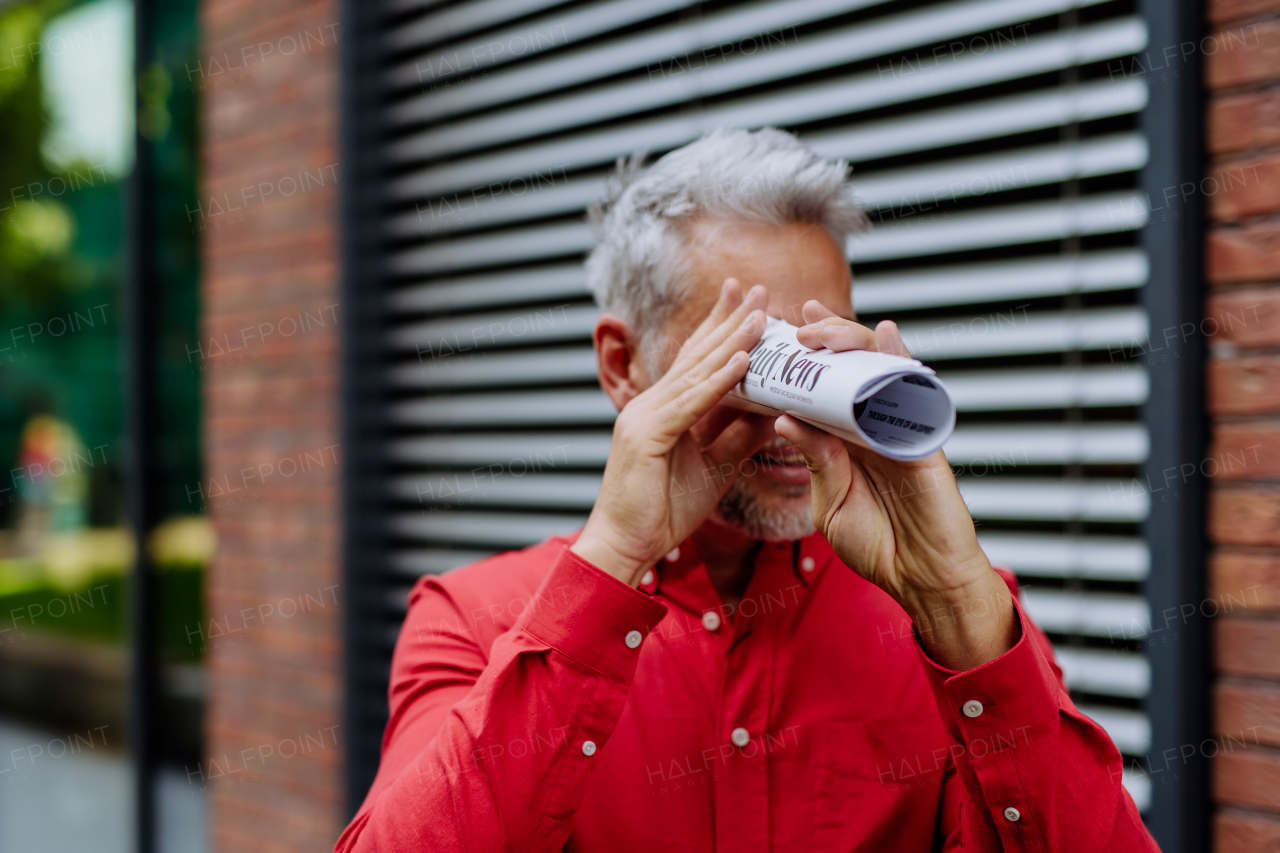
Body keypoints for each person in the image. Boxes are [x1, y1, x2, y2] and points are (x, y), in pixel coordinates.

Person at [335, 128, 1158, 852]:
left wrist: (955, 603)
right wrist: (614, 559)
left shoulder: (955, 626)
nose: (793, 416)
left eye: (824, 362)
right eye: (757, 362)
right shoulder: (476, 622)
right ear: (624, 365)